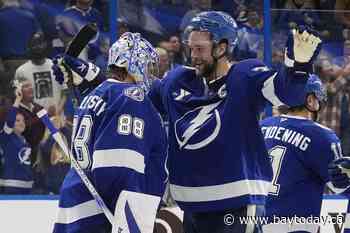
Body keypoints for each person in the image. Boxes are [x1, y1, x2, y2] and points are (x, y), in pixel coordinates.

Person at [54, 11, 322, 233]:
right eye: (190, 48)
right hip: (192, 209)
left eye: (200, 49)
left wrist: (297, 68)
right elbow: (131, 92)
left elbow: (286, 92)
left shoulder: (245, 75)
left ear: (222, 47)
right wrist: (89, 76)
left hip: (237, 205)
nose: (192, 55)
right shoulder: (177, 81)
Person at [52, 32, 168, 233]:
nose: (150, 74)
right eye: (147, 66)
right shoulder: (131, 97)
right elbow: (118, 165)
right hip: (102, 217)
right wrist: (129, 221)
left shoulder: (96, 95)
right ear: (132, 64)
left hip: (75, 205)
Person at [260, 74, 348, 233]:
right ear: (310, 100)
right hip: (296, 227)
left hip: (254, 223)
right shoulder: (322, 135)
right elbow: (341, 186)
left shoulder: (262, 126)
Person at [0, 82, 33, 194]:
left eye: (23, 121)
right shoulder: (6, 136)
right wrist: (18, 100)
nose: (21, 123)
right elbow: (10, 121)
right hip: (11, 185)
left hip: (27, 186)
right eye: (18, 120)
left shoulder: (25, 141)